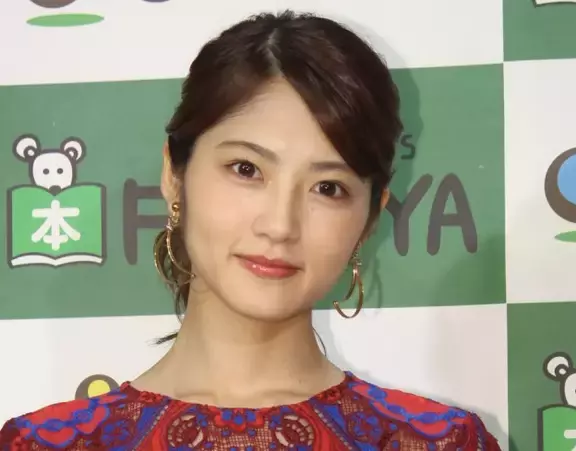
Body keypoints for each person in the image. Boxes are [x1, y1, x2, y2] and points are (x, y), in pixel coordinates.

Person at [0, 10, 501, 451]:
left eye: (328, 188)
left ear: (371, 217)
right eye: (246, 170)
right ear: (174, 175)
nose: (280, 225)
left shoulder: (440, 443)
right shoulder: (43, 444)